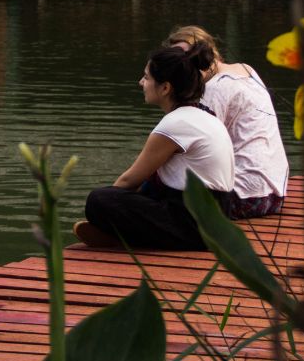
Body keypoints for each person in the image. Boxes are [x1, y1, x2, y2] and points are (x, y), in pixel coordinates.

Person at [73, 43, 234, 251]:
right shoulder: (206, 116)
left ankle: (125, 237)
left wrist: (106, 210)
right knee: (149, 187)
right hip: (217, 221)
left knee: (99, 199)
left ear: (166, 88)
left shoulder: (175, 123)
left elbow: (129, 180)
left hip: (195, 228)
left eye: (147, 77)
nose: (141, 82)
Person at [166, 26, 288, 218]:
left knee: (164, 174)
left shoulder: (213, 90)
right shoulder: (246, 69)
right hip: (275, 192)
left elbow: (186, 143)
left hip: (244, 197)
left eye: (188, 58)